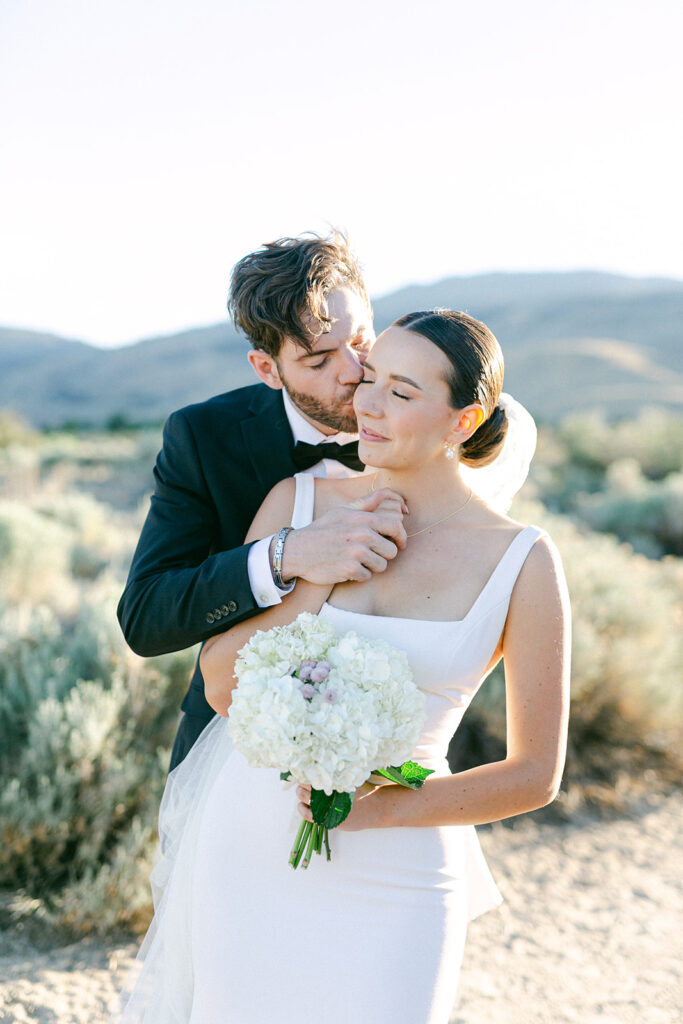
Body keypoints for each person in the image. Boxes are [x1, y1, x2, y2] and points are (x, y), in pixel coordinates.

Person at [114, 309, 571, 1024]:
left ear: (463, 420)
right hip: (253, 841)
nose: (365, 402)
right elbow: (221, 683)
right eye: (371, 379)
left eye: (402, 391)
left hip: (406, 868)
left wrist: (383, 810)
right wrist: (320, 566)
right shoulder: (296, 504)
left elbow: (534, 774)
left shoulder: (521, 559)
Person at [117, 232, 408, 768]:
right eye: (318, 360)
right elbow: (146, 616)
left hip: (388, 734)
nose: (352, 371)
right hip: (234, 746)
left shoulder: (427, 418)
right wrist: (285, 556)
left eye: (361, 341)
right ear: (266, 369)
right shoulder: (204, 437)